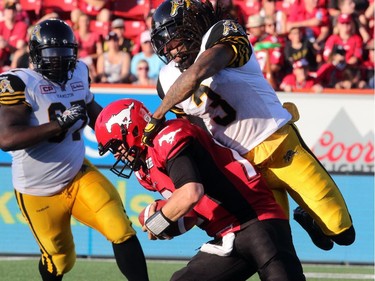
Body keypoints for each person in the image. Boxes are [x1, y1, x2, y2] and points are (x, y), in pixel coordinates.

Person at [142, 0, 355, 251]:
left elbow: (199, 71)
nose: (171, 48)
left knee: (342, 233)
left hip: (279, 145)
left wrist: (157, 115)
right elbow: (197, 129)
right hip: (246, 168)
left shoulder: (223, 34)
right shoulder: (166, 81)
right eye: (165, 43)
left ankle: (308, 216)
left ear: (192, 26)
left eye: (174, 38)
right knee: (275, 243)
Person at [0, 19, 149, 281]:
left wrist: (118, 138)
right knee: (60, 261)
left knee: (120, 228)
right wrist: (59, 125)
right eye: (51, 55)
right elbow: (7, 138)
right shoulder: (19, 83)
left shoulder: (79, 72)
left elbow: (92, 111)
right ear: (36, 55)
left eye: (65, 54)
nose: (58, 61)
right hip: (38, 190)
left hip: (78, 173)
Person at [95, 98, 306, 281]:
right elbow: (193, 213)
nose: (117, 155)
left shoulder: (168, 136)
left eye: (116, 146)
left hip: (257, 222)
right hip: (226, 237)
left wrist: (157, 222)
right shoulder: (146, 171)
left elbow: (190, 192)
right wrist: (173, 221)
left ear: (131, 128)